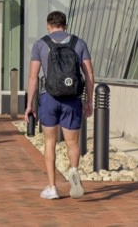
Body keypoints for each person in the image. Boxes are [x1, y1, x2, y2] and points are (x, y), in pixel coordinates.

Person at [24, 10, 94, 201]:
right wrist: (89, 101)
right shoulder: (79, 43)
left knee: (50, 142)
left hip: (49, 98)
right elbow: (89, 75)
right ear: (66, 25)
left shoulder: (40, 44)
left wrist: (29, 104)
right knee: (72, 142)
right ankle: (73, 170)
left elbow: (33, 77)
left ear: (49, 25)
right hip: (72, 98)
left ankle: (52, 187)